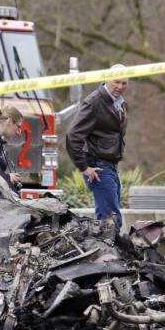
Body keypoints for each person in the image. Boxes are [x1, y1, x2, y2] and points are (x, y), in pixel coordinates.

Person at [65, 64, 129, 225]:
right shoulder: (95, 102)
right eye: (116, 82)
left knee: (109, 220)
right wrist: (84, 168)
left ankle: (108, 249)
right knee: (110, 221)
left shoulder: (119, 103)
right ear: (106, 79)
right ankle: (107, 251)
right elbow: (72, 135)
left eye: (124, 83)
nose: (120, 87)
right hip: (99, 168)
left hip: (111, 167)